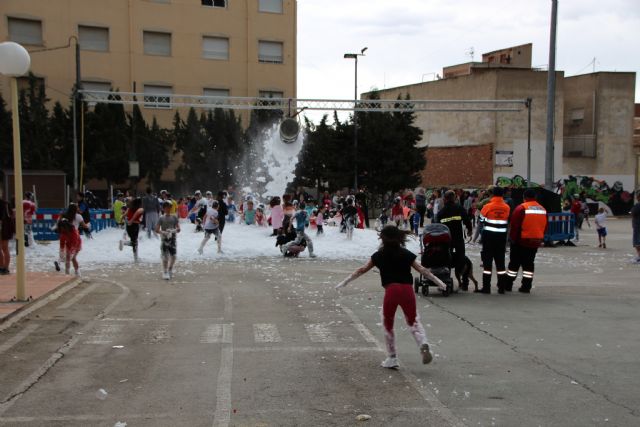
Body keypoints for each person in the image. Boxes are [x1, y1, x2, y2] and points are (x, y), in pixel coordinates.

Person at [336, 225, 447, 369]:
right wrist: (440, 282)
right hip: (407, 290)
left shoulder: (378, 255)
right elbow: (422, 270)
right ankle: (422, 343)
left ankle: (392, 357)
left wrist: (345, 282)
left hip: (391, 291)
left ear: (382, 238)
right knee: (413, 321)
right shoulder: (406, 254)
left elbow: (361, 270)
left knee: (388, 323)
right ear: (399, 237)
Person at [506, 189, 547, 294]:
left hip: (520, 241)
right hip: (535, 242)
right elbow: (545, 226)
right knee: (529, 265)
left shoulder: (521, 208)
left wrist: (512, 240)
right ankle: (526, 286)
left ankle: (508, 285)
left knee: (514, 265)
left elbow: (515, 226)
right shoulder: (542, 209)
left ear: (524, 197)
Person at [435, 190, 472, 291]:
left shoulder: (441, 212)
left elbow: (436, 226)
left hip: (446, 240)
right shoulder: (459, 208)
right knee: (462, 258)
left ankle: (445, 281)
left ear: (445, 199)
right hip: (458, 238)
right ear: (454, 198)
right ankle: (465, 283)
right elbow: (467, 219)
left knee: (446, 259)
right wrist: (470, 229)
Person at [478, 187, 511, 294]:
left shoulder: (487, 206)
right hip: (501, 238)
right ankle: (501, 287)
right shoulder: (506, 207)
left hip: (488, 238)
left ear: (492, 195)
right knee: (500, 263)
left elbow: (481, 219)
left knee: (487, 264)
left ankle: (486, 287)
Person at [56, 203, 87, 276]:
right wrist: (87, 225)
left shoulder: (65, 216)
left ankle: (68, 272)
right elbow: (84, 226)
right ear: (76, 209)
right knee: (72, 257)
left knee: (69, 257)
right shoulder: (78, 216)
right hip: (75, 238)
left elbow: (59, 222)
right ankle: (76, 272)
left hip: (70, 237)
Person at [156, 201, 180, 280]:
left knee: (174, 256)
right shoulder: (161, 218)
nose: (168, 209)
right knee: (165, 257)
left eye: (170, 207)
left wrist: (172, 231)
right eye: (166, 207)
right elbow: (157, 229)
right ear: (164, 208)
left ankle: (170, 269)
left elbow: (179, 229)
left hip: (172, 239)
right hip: (164, 239)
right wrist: (164, 232)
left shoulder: (174, 217)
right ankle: (165, 271)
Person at [119, 197, 144, 262]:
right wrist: (132, 220)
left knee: (134, 242)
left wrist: (122, 220)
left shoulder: (130, 208)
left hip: (128, 227)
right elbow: (136, 214)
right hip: (134, 225)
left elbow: (124, 215)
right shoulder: (140, 209)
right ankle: (124, 243)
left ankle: (136, 257)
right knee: (134, 242)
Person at [0, 190, 14, 275]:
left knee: (2, 248)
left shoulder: (5, 204)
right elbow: (11, 214)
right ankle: (6, 268)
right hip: (6, 228)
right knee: (5, 248)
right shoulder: (6, 203)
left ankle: (2, 267)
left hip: (3, 228)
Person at [631, 191, 640, 263]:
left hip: (637, 226)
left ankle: (639, 257)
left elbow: (633, 213)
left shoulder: (637, 206)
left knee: (637, 242)